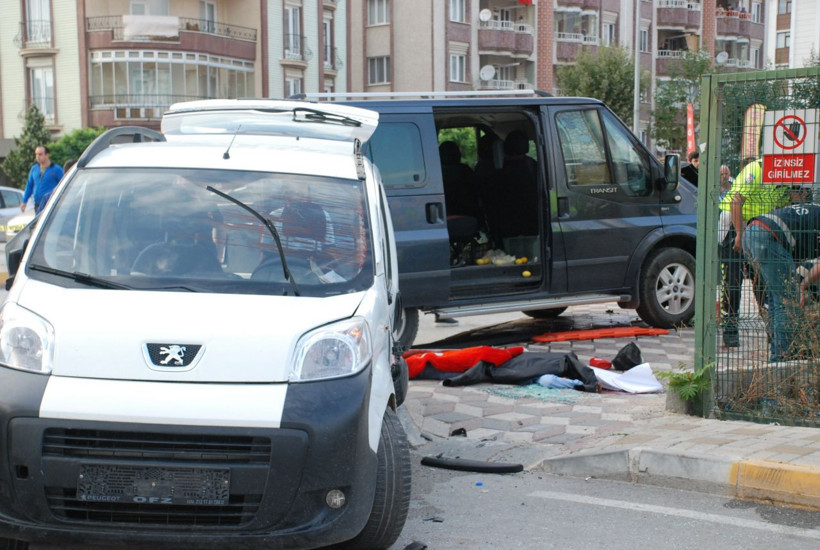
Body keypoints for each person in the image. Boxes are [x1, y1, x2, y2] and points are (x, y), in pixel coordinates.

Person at [718, 157, 789, 347]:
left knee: (763, 279)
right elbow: (735, 201)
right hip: (733, 222)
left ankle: (772, 330)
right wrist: (740, 234)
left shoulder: (788, 174)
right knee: (733, 280)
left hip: (759, 224)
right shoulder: (757, 169)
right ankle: (730, 330)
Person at [742, 204, 820, 362]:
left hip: (753, 233)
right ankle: (783, 358)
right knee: (788, 301)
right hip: (767, 236)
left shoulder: (813, 213)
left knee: (777, 299)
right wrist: (802, 287)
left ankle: (777, 352)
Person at [22, 145, 63, 214]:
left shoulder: (56, 169)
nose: (38, 156)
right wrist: (24, 201)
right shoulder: (34, 169)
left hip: (51, 204)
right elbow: (29, 186)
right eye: (36, 154)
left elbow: (63, 184)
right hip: (38, 204)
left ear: (47, 155)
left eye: (40, 154)